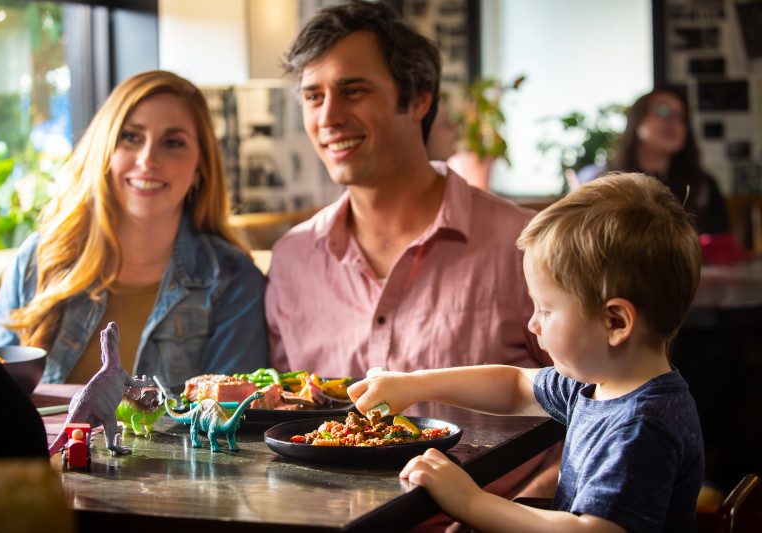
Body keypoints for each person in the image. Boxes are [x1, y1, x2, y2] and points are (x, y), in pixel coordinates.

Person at [265, 0, 559, 506]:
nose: (328, 116)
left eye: (353, 90)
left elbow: (602, 408)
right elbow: (282, 423)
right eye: (313, 96)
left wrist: (510, 517)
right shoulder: (292, 259)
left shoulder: (525, 244)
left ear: (419, 99)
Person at [350, 172, 705, 533]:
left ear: (615, 322)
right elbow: (514, 384)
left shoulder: (641, 426)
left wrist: (472, 503)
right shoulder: (597, 386)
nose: (533, 324)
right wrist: (414, 385)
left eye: (546, 310)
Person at [0, 70, 268, 387]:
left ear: (199, 169)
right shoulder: (36, 261)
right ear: (103, 151)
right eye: (131, 137)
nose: (147, 159)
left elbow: (230, 422)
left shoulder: (234, 280)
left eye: (173, 142)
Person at [588, 87, 730, 235]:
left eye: (681, 117)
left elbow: (719, 244)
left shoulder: (702, 185)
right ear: (638, 118)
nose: (673, 121)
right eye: (663, 111)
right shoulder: (605, 180)